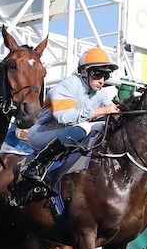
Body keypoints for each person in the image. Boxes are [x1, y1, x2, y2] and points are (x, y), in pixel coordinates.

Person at [11, 46, 120, 204]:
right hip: (41, 132)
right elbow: (63, 117)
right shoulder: (69, 85)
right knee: (84, 127)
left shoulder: (100, 92)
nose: (101, 80)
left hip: (67, 133)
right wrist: (102, 110)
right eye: (97, 74)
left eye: (105, 75)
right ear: (84, 72)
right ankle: (36, 164)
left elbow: (113, 114)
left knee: (102, 127)